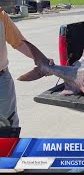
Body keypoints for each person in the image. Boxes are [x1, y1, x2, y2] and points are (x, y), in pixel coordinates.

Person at [0, 7, 53, 137]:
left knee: (7, 126)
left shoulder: (1, 15)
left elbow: (18, 42)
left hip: (1, 79)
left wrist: (42, 61)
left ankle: (8, 155)